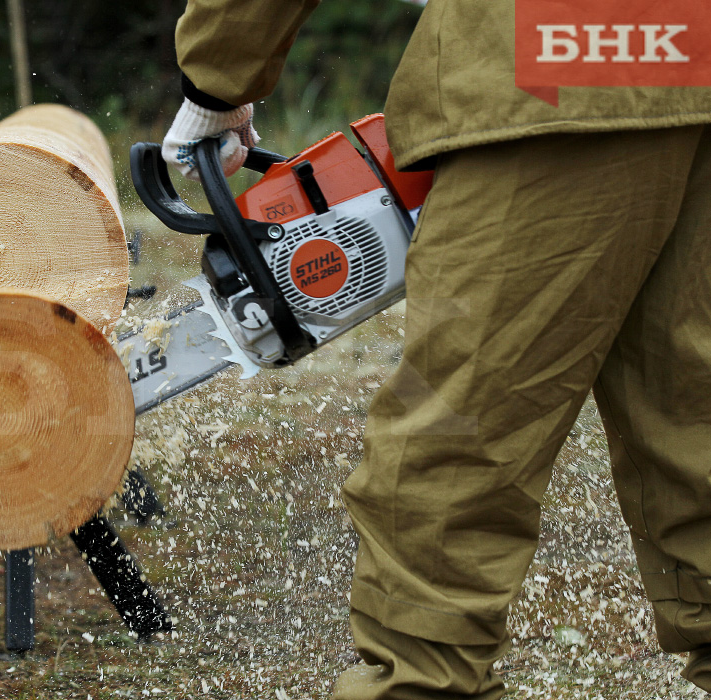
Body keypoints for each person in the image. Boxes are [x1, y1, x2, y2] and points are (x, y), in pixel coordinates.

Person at [160, 1, 711, 697]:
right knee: (694, 419)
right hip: (696, 63)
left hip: (555, 56)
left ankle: (419, 684)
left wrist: (217, 77)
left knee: (456, 434)